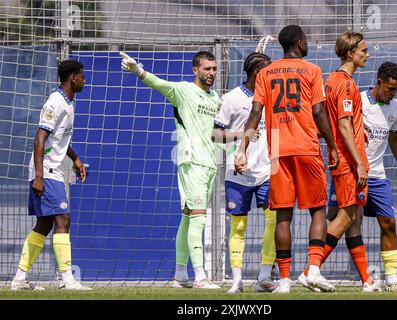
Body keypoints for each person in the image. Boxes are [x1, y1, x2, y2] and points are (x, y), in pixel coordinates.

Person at [235, 25, 340, 293]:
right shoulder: (313, 71)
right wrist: (332, 145)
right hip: (306, 147)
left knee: (283, 214)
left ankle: (283, 282)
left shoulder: (266, 74)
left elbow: (255, 113)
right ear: (300, 42)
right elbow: (318, 112)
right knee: (317, 209)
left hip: (279, 152)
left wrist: (242, 149)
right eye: (307, 40)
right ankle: (313, 270)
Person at [120, 51, 221, 289]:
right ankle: (200, 277)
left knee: (188, 218)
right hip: (191, 162)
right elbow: (159, 84)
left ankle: (180, 276)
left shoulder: (215, 97)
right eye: (207, 69)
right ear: (195, 70)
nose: (212, 73)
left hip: (209, 162)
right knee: (198, 218)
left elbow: (215, 133)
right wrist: (139, 72)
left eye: (214, 69)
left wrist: (243, 137)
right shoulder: (184, 90)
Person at [326, 61, 397, 292]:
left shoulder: (396, 107)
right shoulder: (358, 100)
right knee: (342, 220)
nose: (392, 93)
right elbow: (341, 128)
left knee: (389, 223)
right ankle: (319, 269)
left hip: (377, 175)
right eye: (389, 88)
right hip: (352, 171)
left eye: (396, 90)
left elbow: (395, 141)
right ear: (379, 82)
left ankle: (391, 281)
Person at [299, 31, 380, 292]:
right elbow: (344, 125)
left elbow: (337, 119)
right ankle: (311, 270)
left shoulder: (331, 80)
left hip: (343, 158)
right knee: (345, 217)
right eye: (363, 51)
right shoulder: (345, 83)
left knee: (353, 219)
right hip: (348, 161)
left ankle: (367, 281)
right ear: (350, 53)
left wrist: (360, 130)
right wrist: (359, 163)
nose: (367, 55)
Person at [11, 60, 91, 291]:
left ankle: (19, 279)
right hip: (46, 171)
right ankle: (68, 279)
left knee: (45, 223)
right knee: (63, 219)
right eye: (82, 76)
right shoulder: (55, 102)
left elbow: (58, 140)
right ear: (72, 78)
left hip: (51, 169)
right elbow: (40, 139)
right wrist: (38, 175)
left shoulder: (69, 102)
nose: (84, 80)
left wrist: (74, 158)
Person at [212, 52, 277, 293]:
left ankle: (263, 276)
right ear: (257, 73)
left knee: (274, 221)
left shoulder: (273, 97)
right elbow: (214, 134)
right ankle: (237, 280)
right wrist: (243, 136)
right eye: (268, 71)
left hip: (269, 170)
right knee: (238, 227)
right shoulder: (231, 99)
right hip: (238, 172)